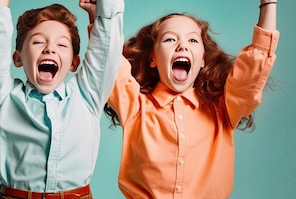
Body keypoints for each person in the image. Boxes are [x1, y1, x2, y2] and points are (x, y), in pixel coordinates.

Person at [98, 0, 279, 198]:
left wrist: (268, 3)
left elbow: (251, 71)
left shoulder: (223, 110)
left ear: (202, 59)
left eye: (192, 40)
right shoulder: (135, 107)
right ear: (153, 59)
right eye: (169, 40)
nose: (182, 46)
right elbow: (110, 59)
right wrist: (99, 12)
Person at [0, 0, 123, 198]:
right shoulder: (4, 95)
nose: (50, 49)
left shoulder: (87, 95)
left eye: (61, 44)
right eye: (37, 42)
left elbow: (105, 53)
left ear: (74, 62)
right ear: (18, 58)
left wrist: (101, 13)